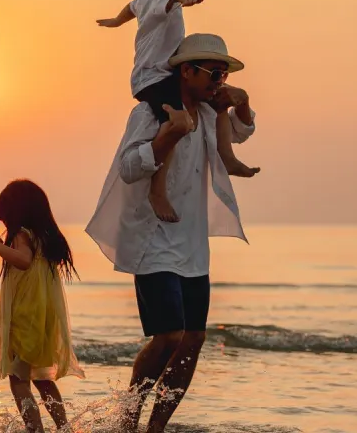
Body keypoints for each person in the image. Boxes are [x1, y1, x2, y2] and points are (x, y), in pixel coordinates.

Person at [84, 33, 257, 433]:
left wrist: (243, 102)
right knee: (169, 335)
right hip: (153, 239)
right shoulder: (150, 112)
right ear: (187, 70)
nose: (220, 81)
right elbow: (129, 167)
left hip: (193, 246)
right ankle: (128, 419)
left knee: (193, 339)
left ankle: (156, 427)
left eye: (224, 74)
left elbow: (242, 131)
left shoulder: (211, 114)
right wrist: (167, 136)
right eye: (214, 73)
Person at [96, 0, 258, 224]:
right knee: (174, 125)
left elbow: (129, 9)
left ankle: (228, 157)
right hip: (155, 77)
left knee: (220, 102)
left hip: (160, 75)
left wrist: (116, 21)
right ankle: (158, 190)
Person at [0, 179, 84, 433]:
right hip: (42, 317)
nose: (5, 225)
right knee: (42, 379)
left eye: (5, 219)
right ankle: (64, 428)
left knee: (18, 379)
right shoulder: (44, 237)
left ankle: (34, 429)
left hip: (25, 316)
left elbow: (24, 261)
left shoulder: (21, 235)